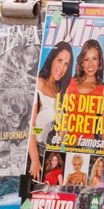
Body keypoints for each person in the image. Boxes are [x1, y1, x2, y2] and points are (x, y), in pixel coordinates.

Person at [28, 41, 73, 181]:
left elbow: (60, 128)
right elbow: (31, 126)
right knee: (30, 194)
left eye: (66, 64)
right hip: (36, 155)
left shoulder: (59, 90)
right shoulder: (39, 84)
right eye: (59, 60)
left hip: (51, 155)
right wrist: (35, 160)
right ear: (52, 59)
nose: (62, 68)